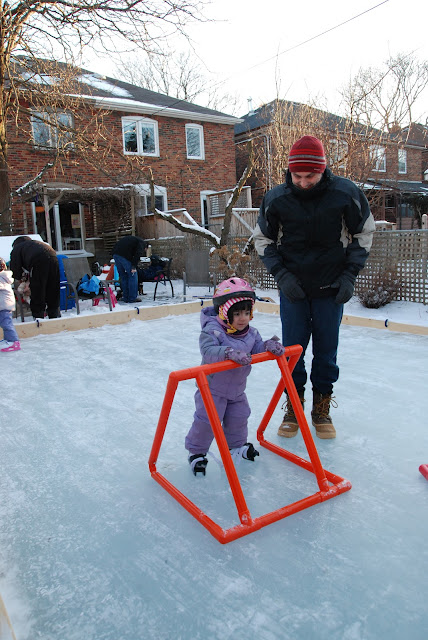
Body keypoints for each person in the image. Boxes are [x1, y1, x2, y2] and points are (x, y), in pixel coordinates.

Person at [253, 135, 375, 439]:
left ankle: (322, 409)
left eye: (310, 176)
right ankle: (294, 407)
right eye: (297, 176)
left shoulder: (345, 193)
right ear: (290, 171)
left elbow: (363, 233)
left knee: (326, 351)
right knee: (292, 351)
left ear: (323, 169)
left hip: (331, 288)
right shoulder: (276, 198)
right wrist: (282, 275)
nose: (303, 182)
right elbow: (263, 239)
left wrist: (349, 275)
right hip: (293, 289)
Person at [184, 277, 285, 475]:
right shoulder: (213, 331)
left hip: (237, 390)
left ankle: (237, 447)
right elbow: (208, 351)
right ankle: (196, 453)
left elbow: (256, 348)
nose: (242, 318)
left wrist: (267, 345)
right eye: (237, 313)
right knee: (207, 422)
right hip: (212, 390)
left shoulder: (251, 333)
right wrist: (228, 352)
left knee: (239, 417)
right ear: (224, 312)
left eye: (246, 313)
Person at [10, 236, 61, 320]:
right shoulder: (35, 244)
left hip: (37, 260)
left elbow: (15, 268)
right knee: (52, 286)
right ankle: (54, 314)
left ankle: (38, 316)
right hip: (53, 256)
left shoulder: (17, 248)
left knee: (38, 289)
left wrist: (19, 278)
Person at [112, 235, 147, 303]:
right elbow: (138, 254)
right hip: (123, 256)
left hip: (115, 254)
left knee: (123, 276)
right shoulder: (142, 243)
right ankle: (132, 298)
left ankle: (125, 297)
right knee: (133, 275)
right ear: (146, 247)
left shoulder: (134, 240)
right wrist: (133, 266)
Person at [0, 258, 21, 352]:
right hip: (4, 305)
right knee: (4, 323)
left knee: (6, 324)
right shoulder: (3, 276)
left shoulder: (1, 277)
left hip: (5, 305)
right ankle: (8, 339)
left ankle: (13, 341)